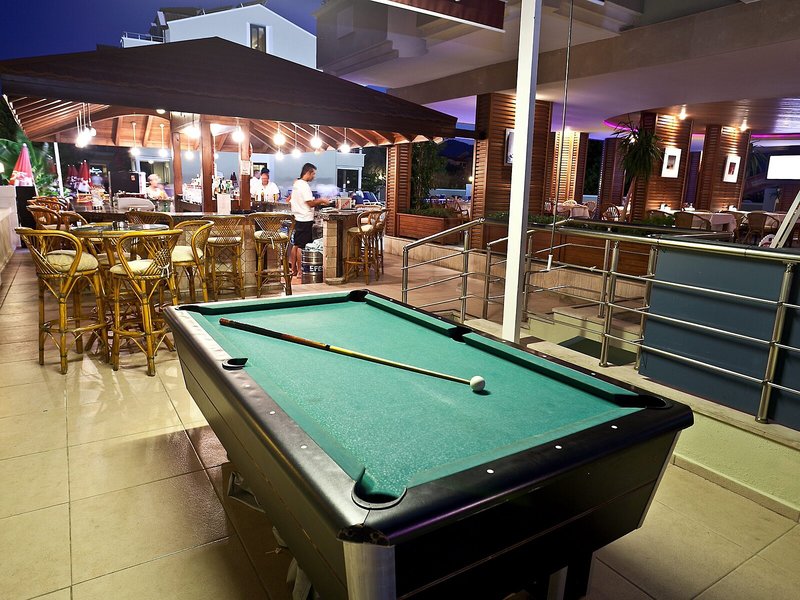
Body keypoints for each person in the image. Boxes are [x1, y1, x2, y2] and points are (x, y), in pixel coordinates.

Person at [289, 163, 330, 279]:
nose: (314, 176)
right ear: (308, 173)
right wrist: (322, 200)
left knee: (296, 245)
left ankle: (293, 270)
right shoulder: (304, 186)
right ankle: (301, 272)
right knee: (302, 246)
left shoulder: (297, 184)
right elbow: (310, 203)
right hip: (305, 218)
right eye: (313, 174)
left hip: (298, 218)